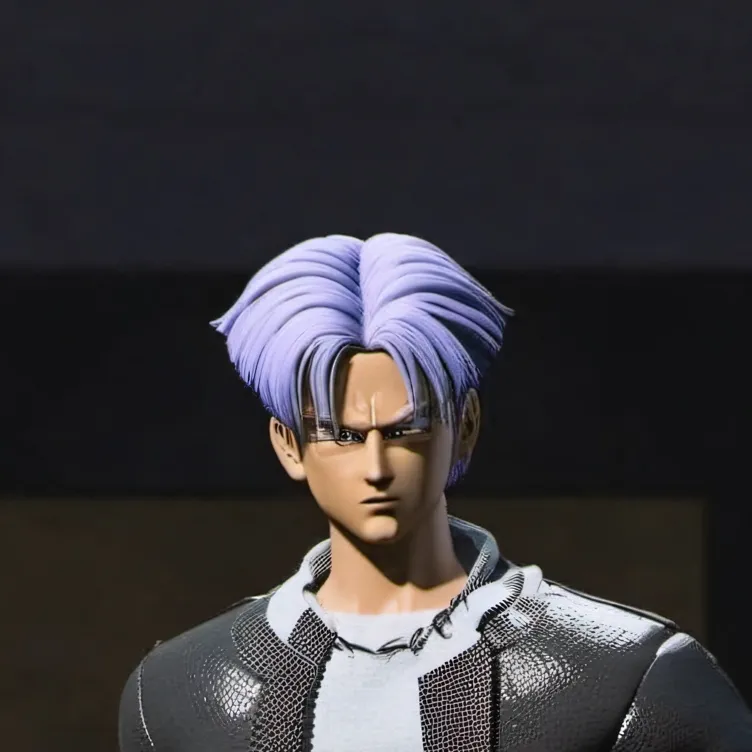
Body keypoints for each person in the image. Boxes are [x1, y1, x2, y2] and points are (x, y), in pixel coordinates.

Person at [118, 233, 752, 751]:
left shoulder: (628, 677)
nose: (376, 466)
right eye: (341, 434)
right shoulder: (179, 693)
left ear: (465, 426)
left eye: (406, 429)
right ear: (289, 445)